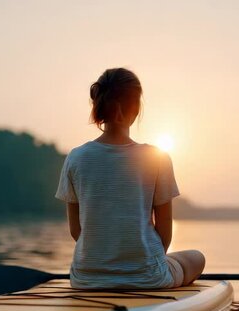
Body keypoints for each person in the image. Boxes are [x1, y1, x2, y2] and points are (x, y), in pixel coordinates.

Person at [54, 67, 205, 289]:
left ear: (99, 106)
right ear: (136, 108)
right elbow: (165, 233)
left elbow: (76, 230)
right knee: (197, 257)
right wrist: (139, 266)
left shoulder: (75, 158)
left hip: (86, 278)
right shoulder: (157, 157)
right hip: (147, 277)